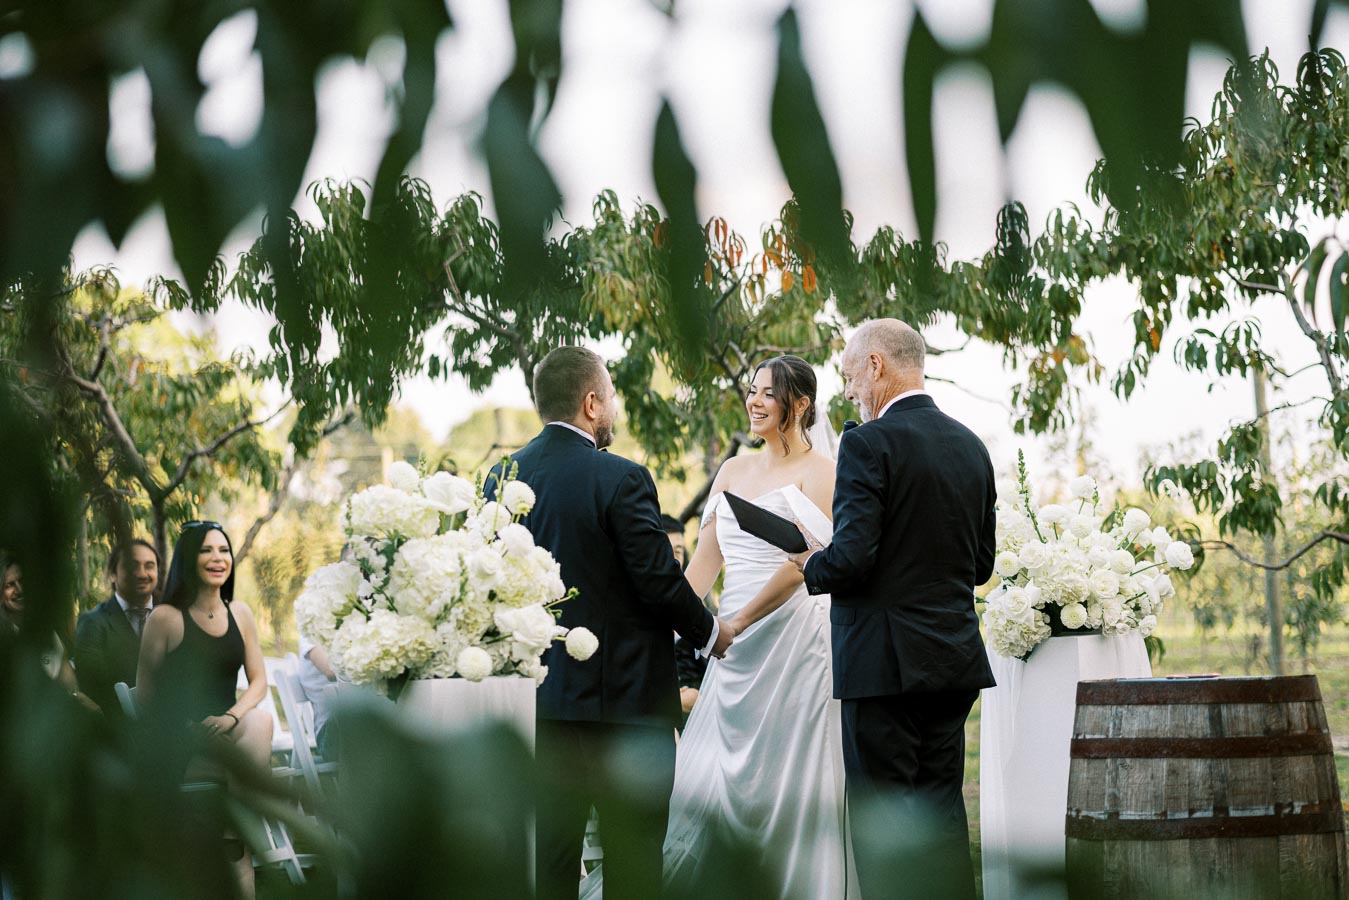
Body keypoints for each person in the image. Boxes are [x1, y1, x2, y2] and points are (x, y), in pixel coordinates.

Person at [489, 346, 734, 900]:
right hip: (628, 711)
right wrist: (712, 633)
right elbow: (657, 580)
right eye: (613, 398)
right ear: (592, 402)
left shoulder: (499, 480)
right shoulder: (621, 478)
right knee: (633, 864)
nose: (615, 409)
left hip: (542, 709)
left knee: (552, 860)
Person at [790, 319, 997, 900]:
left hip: (882, 666)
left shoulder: (867, 442)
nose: (851, 391)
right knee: (942, 817)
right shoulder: (971, 445)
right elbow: (980, 565)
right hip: (952, 661)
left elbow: (852, 558)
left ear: (877, 365)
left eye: (852, 376)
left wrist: (810, 562)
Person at [663, 355, 852, 897]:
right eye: (751, 391)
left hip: (794, 641)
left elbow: (803, 566)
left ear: (800, 404)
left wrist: (736, 622)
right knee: (725, 773)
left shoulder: (826, 473)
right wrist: (675, 618)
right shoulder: (733, 470)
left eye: (767, 393)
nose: (754, 401)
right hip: (731, 648)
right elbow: (704, 562)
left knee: (786, 773)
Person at [136, 521, 273, 900]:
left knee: (259, 719)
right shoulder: (164, 618)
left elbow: (259, 681)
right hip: (182, 743)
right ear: (188, 560)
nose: (218, 558)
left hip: (228, 740)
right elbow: (147, 697)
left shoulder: (240, 613)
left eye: (224, 550)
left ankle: (234, 834)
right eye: (207, 550)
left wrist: (231, 716)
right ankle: (242, 829)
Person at [0, 553, 100, 712]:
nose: (19, 589)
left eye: (23, 581)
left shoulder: (47, 631)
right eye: (10, 585)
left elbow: (71, 688)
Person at [74, 539, 160, 718]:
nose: (142, 574)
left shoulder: (174, 616)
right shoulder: (93, 624)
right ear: (113, 574)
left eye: (149, 566)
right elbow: (92, 690)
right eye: (132, 566)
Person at [663, 514, 706, 725]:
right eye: (666, 549)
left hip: (696, 721)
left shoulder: (697, 611)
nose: (673, 558)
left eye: (678, 551)